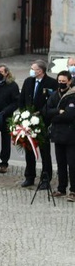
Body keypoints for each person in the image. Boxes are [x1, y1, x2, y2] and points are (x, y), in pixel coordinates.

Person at [19, 60, 58, 187]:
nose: (31, 70)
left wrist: (41, 113)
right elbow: (22, 100)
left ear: (40, 71)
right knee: (29, 149)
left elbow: (53, 102)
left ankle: (46, 179)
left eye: (33, 68)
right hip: (28, 121)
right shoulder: (28, 81)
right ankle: (29, 176)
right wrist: (22, 116)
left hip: (43, 122)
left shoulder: (51, 83)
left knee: (44, 152)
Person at [45, 71, 75, 201]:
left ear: (69, 81)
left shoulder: (72, 96)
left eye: (64, 81)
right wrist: (58, 112)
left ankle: (73, 191)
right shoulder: (54, 95)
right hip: (58, 135)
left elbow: (69, 115)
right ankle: (61, 188)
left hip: (71, 136)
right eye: (59, 80)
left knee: (72, 164)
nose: (61, 83)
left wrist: (54, 118)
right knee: (61, 163)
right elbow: (45, 110)